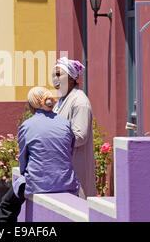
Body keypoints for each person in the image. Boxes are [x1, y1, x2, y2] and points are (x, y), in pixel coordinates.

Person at [0, 87, 79, 222]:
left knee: (6, 205)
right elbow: (70, 151)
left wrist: (25, 175)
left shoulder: (27, 126)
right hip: (66, 182)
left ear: (31, 106)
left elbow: (23, 160)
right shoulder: (65, 123)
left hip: (38, 183)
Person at [52, 57, 96, 199]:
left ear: (71, 78)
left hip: (76, 168)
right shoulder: (61, 101)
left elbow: (80, 136)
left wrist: (53, 139)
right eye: (54, 75)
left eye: (59, 75)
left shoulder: (79, 101)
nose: (55, 78)